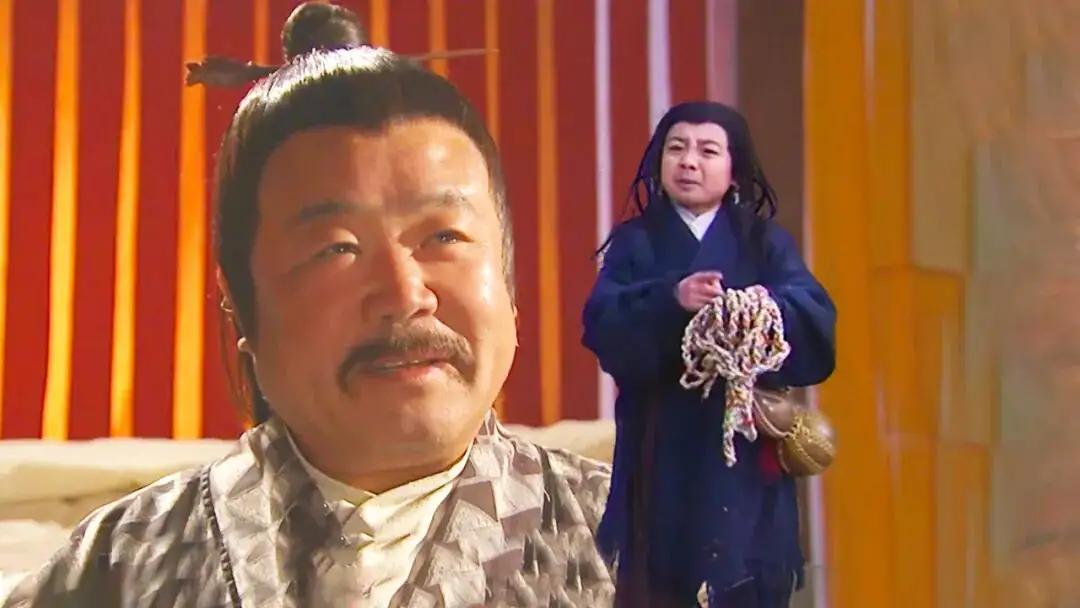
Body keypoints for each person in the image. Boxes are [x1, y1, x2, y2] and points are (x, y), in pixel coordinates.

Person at [3, 18, 612, 608]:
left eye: (445, 236)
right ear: (241, 304)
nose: (406, 294)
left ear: (508, 285)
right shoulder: (118, 568)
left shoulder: (634, 537)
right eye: (336, 248)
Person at [583, 101, 836, 607]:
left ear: (734, 170)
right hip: (661, 447)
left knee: (747, 579)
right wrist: (672, 299)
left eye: (707, 151)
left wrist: (755, 311)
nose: (689, 161)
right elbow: (603, 323)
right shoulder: (635, 242)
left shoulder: (764, 242)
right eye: (676, 148)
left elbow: (814, 316)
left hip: (744, 451)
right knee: (659, 582)